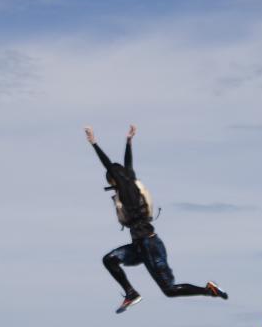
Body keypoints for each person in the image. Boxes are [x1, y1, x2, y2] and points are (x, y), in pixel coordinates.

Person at [87, 123, 229, 313]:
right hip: (140, 245)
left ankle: (208, 290)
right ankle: (131, 293)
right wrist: (129, 142)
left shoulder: (126, 188)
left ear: (115, 180)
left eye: (112, 181)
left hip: (149, 245)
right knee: (109, 260)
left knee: (170, 290)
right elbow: (127, 165)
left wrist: (94, 143)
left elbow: (110, 166)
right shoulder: (131, 181)